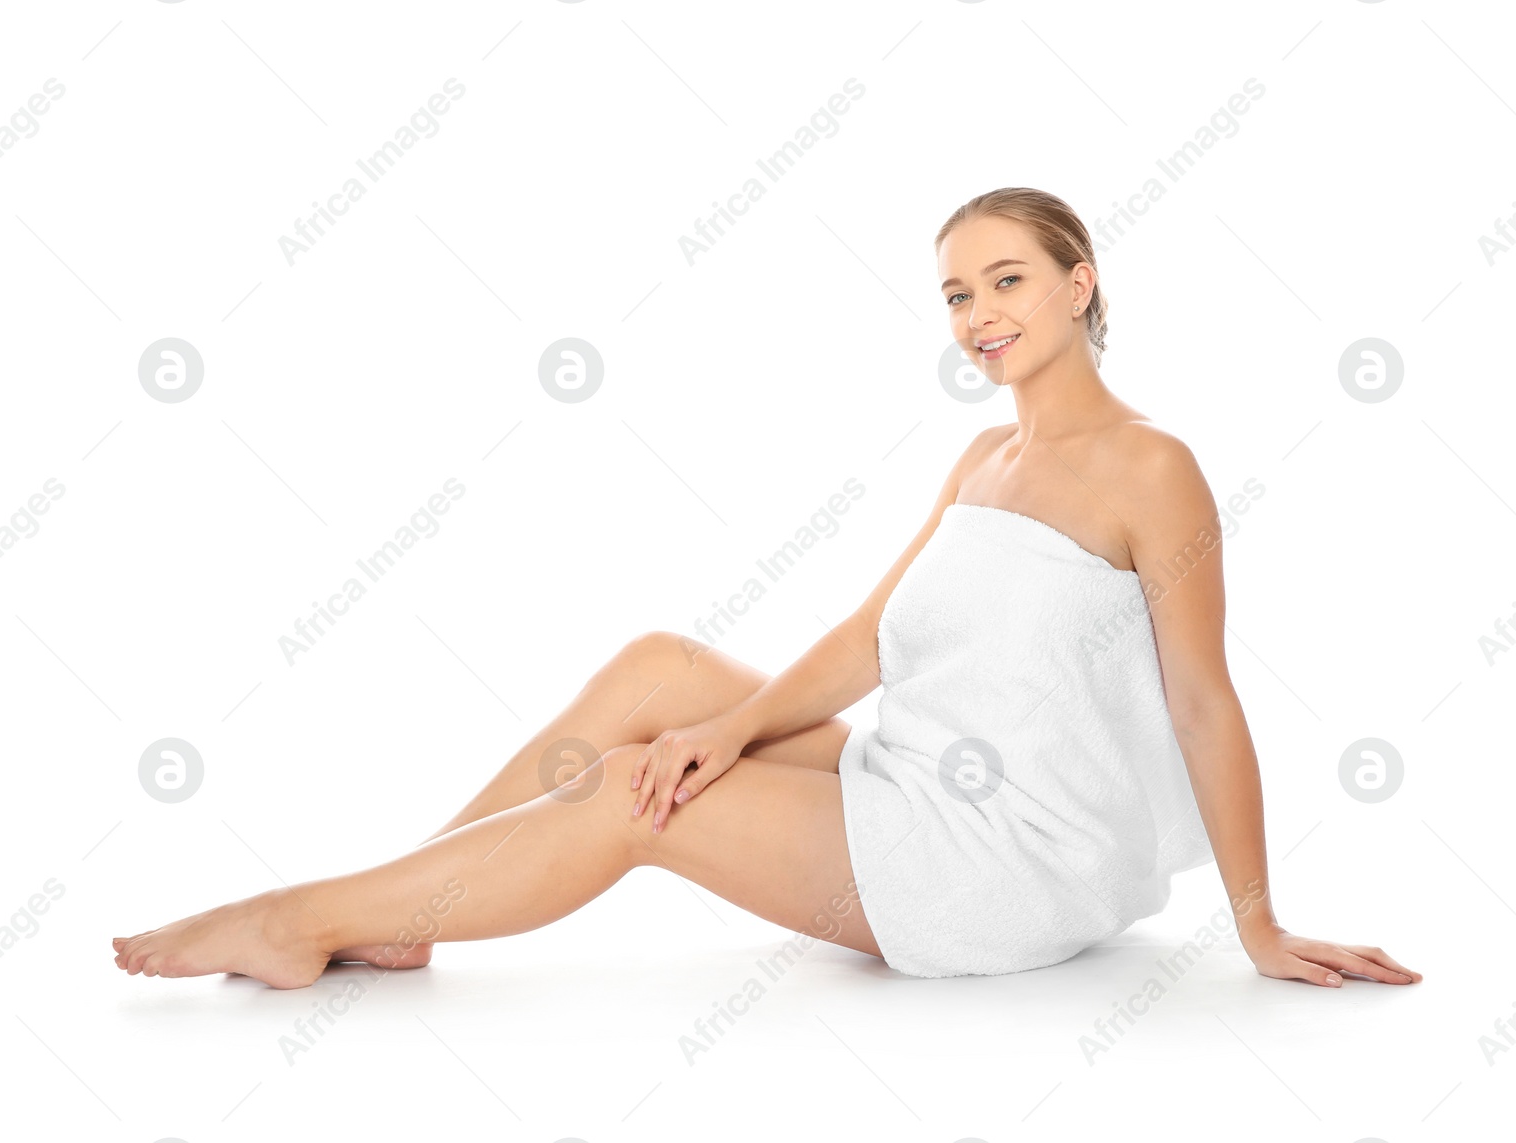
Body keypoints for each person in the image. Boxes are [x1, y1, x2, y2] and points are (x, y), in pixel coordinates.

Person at [112, 187, 1420, 990]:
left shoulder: (1155, 470)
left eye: (1007, 280)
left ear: (1082, 285)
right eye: (958, 293)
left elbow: (1201, 698)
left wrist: (1259, 923)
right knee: (662, 674)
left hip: (1000, 867)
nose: (978, 315)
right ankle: (410, 904)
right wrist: (727, 725)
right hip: (915, 777)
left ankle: (300, 919)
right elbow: (869, 638)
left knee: (636, 798)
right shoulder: (985, 456)